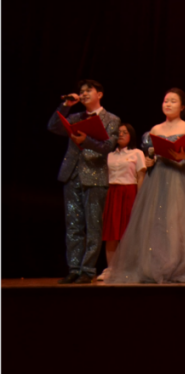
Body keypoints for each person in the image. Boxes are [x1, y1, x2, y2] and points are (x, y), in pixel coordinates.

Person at [106, 88, 185, 284]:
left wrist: (182, 155)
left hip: (179, 175)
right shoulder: (155, 129)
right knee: (156, 220)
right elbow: (151, 153)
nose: (168, 104)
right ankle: (155, 264)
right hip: (158, 176)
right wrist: (149, 160)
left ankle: (178, 263)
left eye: (173, 101)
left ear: (182, 107)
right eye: (165, 101)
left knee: (177, 219)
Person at [48, 79, 121, 284]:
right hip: (72, 174)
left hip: (95, 176)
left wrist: (86, 141)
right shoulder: (75, 117)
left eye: (89, 90)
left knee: (93, 225)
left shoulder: (111, 119)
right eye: (82, 91)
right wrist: (66, 105)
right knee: (73, 225)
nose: (84, 94)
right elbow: (53, 126)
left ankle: (88, 270)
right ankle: (74, 268)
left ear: (100, 94)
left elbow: (108, 146)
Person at [99, 123, 146, 280]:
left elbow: (140, 177)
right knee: (111, 231)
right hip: (113, 193)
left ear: (131, 136)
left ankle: (130, 268)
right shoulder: (110, 155)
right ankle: (111, 269)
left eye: (124, 132)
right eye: (118, 132)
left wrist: (139, 199)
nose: (120, 134)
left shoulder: (137, 153)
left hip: (129, 192)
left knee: (129, 231)